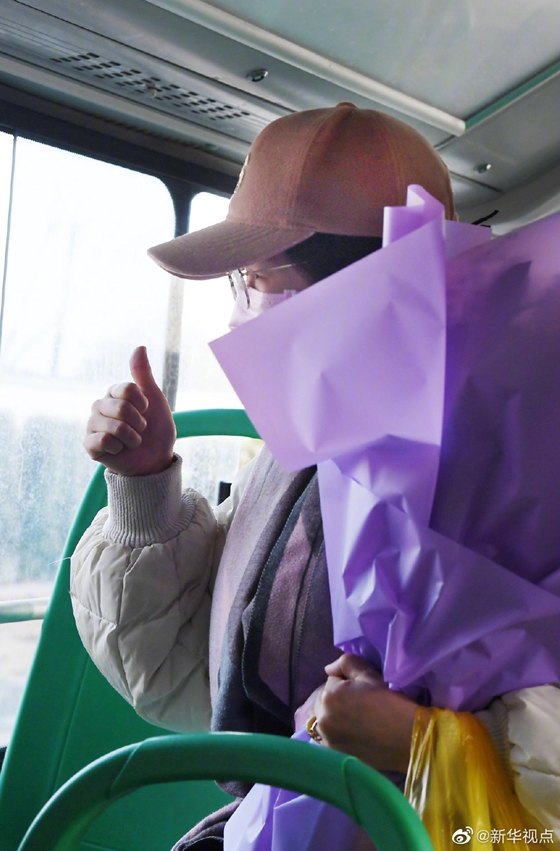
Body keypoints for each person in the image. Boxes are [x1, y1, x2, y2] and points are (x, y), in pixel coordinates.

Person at [71, 104, 560, 848]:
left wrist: (427, 746)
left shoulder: (522, 460)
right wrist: (145, 487)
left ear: (359, 284)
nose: (237, 313)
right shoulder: (290, 456)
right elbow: (180, 677)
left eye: (254, 279)